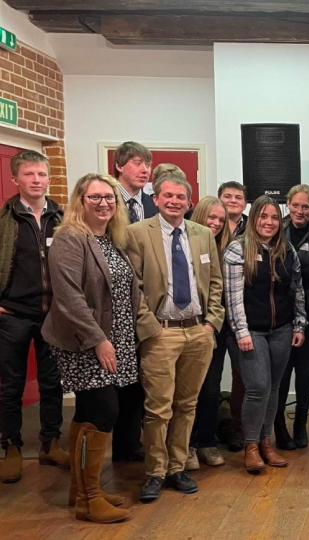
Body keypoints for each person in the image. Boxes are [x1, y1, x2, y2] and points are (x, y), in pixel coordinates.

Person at [43, 173, 155, 523]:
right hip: (84, 341)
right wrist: (99, 341)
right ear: (80, 200)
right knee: (103, 410)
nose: (104, 203)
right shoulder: (70, 239)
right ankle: (89, 500)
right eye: (95, 197)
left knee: (89, 413)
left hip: (117, 337)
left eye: (109, 197)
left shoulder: (112, 238)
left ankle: (83, 489)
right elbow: (69, 298)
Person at [125, 169, 224, 503]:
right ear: (156, 199)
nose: (174, 201)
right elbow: (133, 287)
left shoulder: (202, 234)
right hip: (161, 334)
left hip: (198, 331)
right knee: (157, 408)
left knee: (187, 404)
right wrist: (148, 327)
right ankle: (155, 471)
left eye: (181, 197)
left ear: (189, 202)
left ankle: (177, 467)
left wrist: (211, 322)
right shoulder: (137, 233)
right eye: (168, 196)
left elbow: (214, 282)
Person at [224, 195, 306, 474]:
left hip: (281, 330)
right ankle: (250, 445)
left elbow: (297, 290)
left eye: (274, 217)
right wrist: (241, 331)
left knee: (274, 388)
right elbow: (232, 296)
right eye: (263, 216)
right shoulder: (237, 250)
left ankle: (265, 441)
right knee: (258, 386)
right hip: (251, 332)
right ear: (254, 217)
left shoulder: (287, 250)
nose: (269, 222)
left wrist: (299, 324)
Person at [0, 150, 67, 484]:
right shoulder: (5, 220)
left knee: (52, 383)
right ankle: (11, 446)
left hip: (53, 315)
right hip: (12, 314)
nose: (37, 180)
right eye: (29, 174)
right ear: (16, 179)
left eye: (42, 174)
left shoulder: (63, 217)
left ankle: (50, 443)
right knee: (10, 385)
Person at [111, 141, 156, 463]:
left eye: (147, 164)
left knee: (146, 377)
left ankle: (142, 441)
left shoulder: (152, 206)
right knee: (125, 379)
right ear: (120, 166)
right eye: (137, 163)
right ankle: (124, 445)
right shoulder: (108, 204)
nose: (144, 170)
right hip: (117, 305)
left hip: (151, 304)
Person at [186, 196, 232, 470]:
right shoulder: (183, 243)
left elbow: (220, 291)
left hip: (214, 329)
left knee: (211, 389)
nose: (214, 223)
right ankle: (187, 444)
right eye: (210, 217)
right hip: (185, 328)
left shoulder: (225, 248)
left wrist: (212, 324)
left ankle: (206, 441)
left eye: (220, 220)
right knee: (187, 391)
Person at [275, 184, 309, 451]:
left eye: (306, 206)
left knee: (304, 371)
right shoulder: (276, 229)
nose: (300, 211)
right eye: (295, 205)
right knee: (281, 373)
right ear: (288, 204)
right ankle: (279, 427)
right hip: (280, 312)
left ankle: (300, 423)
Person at [218, 180, 248, 451]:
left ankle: (239, 430)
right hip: (213, 315)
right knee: (209, 377)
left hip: (241, 315)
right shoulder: (209, 226)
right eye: (227, 196)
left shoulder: (253, 227)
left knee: (242, 376)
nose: (233, 201)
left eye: (238, 197)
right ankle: (205, 435)